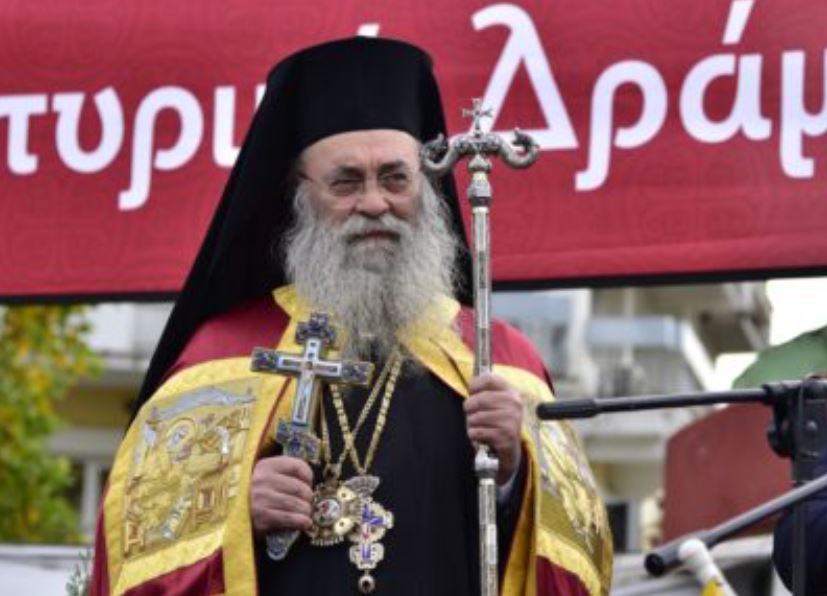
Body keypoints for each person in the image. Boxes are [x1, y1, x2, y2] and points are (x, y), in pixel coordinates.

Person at [90, 37, 613, 595]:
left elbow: (579, 563)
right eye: (345, 182)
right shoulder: (222, 352)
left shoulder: (500, 360)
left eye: (395, 178)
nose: (374, 203)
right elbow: (135, 556)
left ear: (425, 185)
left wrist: (514, 472)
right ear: (298, 193)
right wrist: (234, 514)